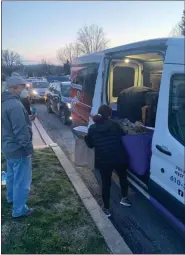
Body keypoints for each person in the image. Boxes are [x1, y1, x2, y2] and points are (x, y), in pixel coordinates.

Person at [84, 105, 131, 217]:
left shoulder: (92, 128)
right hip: (119, 156)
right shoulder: (115, 124)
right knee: (123, 178)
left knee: (106, 184)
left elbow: (90, 145)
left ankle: (106, 209)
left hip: (103, 160)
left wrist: (86, 138)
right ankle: (124, 198)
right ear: (109, 114)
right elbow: (124, 135)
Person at [2, 76, 34, 218]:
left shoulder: (4, 102)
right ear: (14, 88)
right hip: (18, 148)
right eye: (23, 87)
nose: (25, 89)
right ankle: (19, 210)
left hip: (7, 146)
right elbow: (20, 131)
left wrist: (27, 118)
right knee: (22, 180)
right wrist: (28, 149)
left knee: (11, 175)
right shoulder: (15, 105)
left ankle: (11, 198)